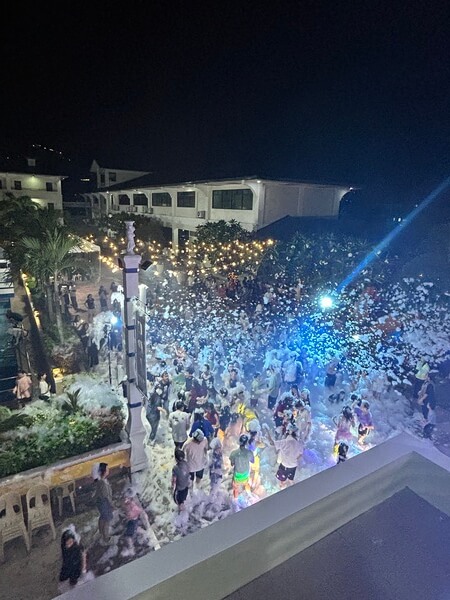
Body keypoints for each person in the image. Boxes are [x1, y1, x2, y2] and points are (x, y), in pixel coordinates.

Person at [268, 424, 303, 489]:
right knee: (291, 479)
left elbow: (272, 443)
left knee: (282, 481)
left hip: (285, 466)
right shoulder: (298, 443)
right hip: (293, 466)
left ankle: (283, 489)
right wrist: (294, 459)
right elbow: (300, 454)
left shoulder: (284, 442)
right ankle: (295, 489)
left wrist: (268, 436)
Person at [121, 487, 149, 557]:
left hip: (133, 520)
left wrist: (144, 515)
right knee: (134, 529)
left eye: (126, 498)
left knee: (128, 535)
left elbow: (139, 511)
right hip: (132, 520)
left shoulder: (132, 505)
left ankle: (131, 549)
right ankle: (145, 533)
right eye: (125, 497)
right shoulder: (128, 504)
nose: (125, 499)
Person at [94, 462, 114, 545]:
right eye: (107, 469)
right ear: (104, 471)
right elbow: (107, 496)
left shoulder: (100, 480)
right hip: (104, 503)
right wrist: (112, 505)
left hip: (100, 502)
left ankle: (101, 532)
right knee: (107, 520)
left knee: (102, 517)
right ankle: (106, 538)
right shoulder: (103, 483)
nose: (108, 470)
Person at [229, 434, 254, 498]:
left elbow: (232, 464)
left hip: (237, 476)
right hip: (245, 475)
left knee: (235, 487)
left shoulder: (233, 453)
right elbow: (252, 461)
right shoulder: (249, 452)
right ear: (246, 443)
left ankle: (235, 500)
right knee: (246, 484)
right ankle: (250, 496)